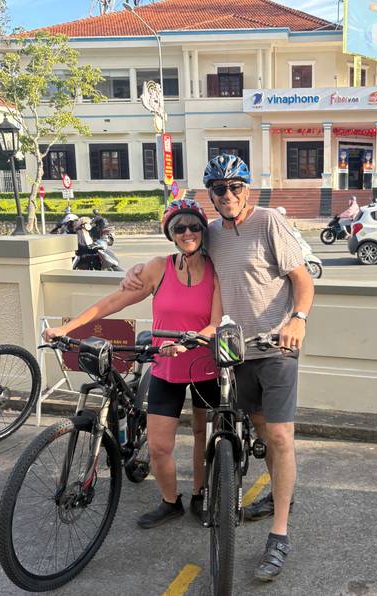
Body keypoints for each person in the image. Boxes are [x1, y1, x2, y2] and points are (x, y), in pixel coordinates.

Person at [122, 154, 314, 582]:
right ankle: (271, 484)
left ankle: (278, 536)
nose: (228, 195)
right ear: (210, 194)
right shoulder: (208, 232)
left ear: (248, 187)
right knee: (259, 429)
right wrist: (137, 269)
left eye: (235, 186)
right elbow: (180, 244)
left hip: (275, 344)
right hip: (233, 351)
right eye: (219, 189)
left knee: (281, 436)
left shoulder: (268, 222)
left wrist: (298, 320)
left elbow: (303, 280)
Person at [43, 199, 223, 528]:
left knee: (203, 435)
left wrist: (186, 343)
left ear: (203, 231)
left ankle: (200, 494)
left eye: (194, 226)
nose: (188, 232)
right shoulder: (158, 267)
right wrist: (66, 329)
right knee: (158, 445)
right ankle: (171, 502)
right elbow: (113, 301)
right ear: (170, 232)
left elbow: (214, 324)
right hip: (165, 369)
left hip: (203, 367)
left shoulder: (215, 271)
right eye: (179, 227)